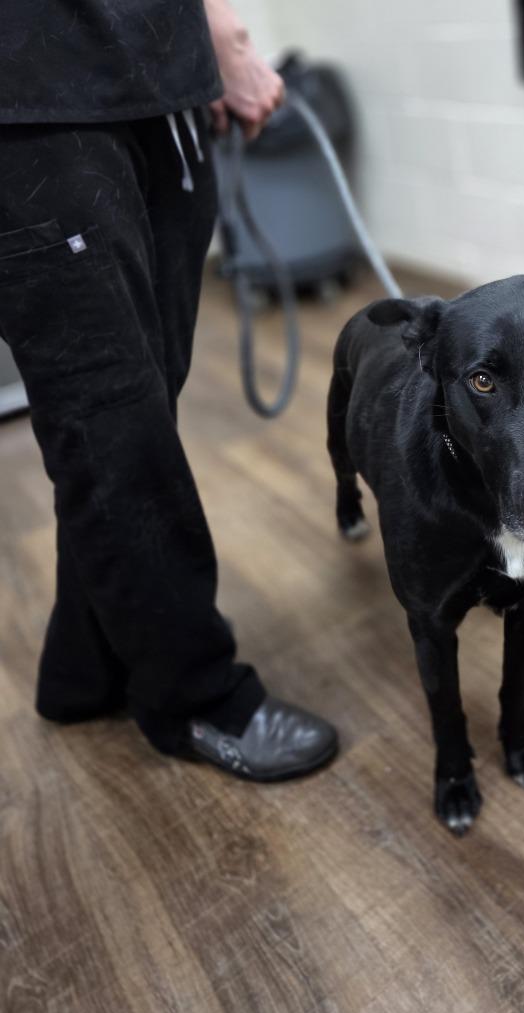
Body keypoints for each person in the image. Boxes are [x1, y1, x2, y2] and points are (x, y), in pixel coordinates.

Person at [0, 0, 338, 780]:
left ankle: (82, 670)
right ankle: (194, 696)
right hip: (27, 100)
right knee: (110, 419)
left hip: (163, 81)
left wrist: (216, 33)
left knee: (144, 405)